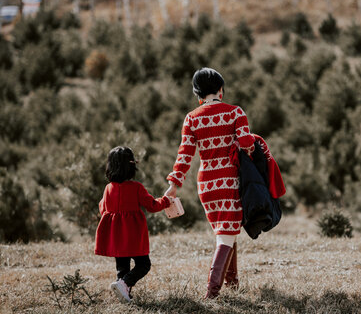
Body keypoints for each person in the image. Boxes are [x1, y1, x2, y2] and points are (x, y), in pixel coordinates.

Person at [165, 67, 256, 299]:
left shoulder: (191, 118)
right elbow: (247, 143)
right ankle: (211, 293)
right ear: (221, 90)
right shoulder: (235, 113)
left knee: (227, 230)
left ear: (198, 95)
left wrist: (174, 184)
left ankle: (233, 284)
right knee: (225, 235)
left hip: (207, 184)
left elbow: (184, 155)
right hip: (229, 182)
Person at [95, 146, 172, 303]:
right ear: (131, 166)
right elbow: (152, 206)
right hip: (133, 236)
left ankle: (123, 291)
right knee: (143, 265)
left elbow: (102, 208)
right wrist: (166, 200)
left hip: (116, 236)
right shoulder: (136, 187)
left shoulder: (108, 188)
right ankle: (124, 285)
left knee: (122, 268)